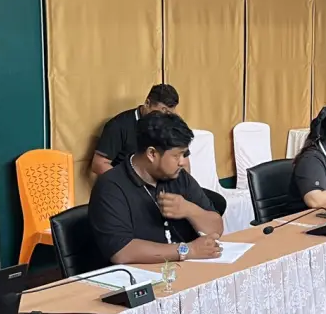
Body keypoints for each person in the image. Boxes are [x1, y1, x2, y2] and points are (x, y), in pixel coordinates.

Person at [89, 111, 224, 264]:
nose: (183, 162)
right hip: (141, 274)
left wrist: (189, 210)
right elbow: (122, 252)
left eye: (185, 154)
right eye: (176, 156)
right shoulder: (110, 186)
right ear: (152, 154)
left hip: (183, 269)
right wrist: (187, 250)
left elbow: (217, 229)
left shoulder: (179, 176)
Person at [90, 83, 227, 216]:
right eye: (163, 111)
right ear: (147, 103)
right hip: (135, 188)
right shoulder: (118, 126)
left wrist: (185, 189)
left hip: (164, 184)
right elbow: (99, 164)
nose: (165, 116)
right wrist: (129, 185)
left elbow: (184, 160)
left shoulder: (168, 125)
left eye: (170, 113)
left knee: (215, 205)